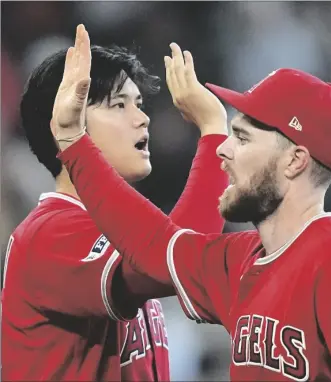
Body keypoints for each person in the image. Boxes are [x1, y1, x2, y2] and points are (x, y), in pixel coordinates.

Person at [53, 25, 331, 381]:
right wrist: (73, 139)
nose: (223, 149)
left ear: (294, 161)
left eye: (241, 138)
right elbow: (153, 246)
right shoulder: (239, 260)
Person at [1, 25, 229, 381]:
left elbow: (175, 251)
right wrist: (214, 129)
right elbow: (180, 258)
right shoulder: (49, 234)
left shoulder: (121, 230)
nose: (142, 117)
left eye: (139, 104)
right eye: (118, 105)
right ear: (65, 118)